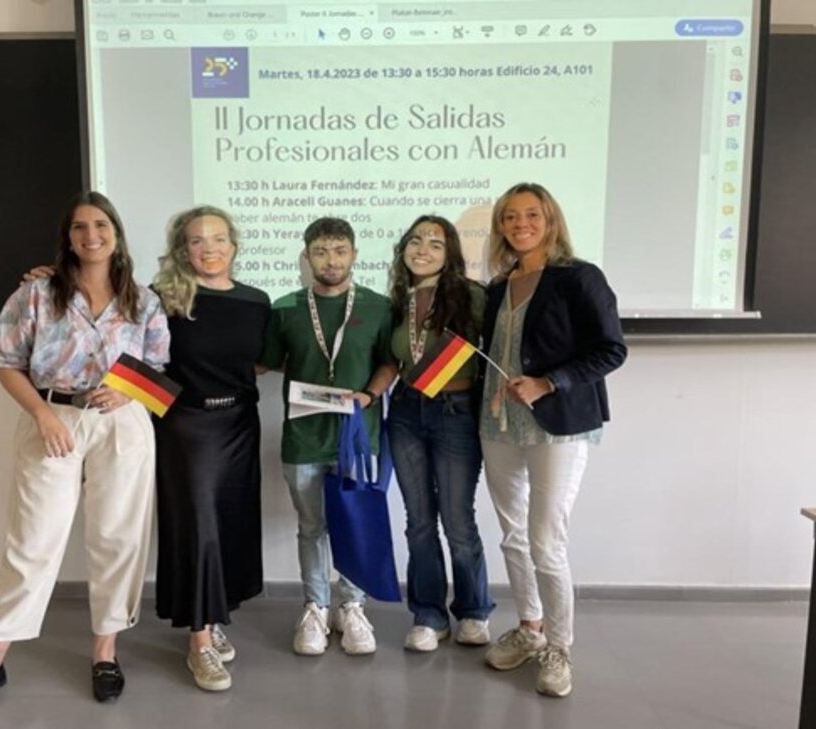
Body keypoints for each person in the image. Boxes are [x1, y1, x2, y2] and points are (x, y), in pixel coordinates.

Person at [0, 192, 169, 721]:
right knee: (32, 542)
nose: (91, 235)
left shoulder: (144, 299)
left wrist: (131, 393)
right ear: (68, 236)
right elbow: (6, 363)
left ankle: (105, 653)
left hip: (123, 425)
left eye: (101, 225)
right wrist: (43, 415)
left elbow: (158, 365)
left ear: (116, 232)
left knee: (117, 537)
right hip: (53, 419)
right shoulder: (37, 294)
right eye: (80, 227)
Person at [478, 183, 627, 697]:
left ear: (551, 221)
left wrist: (548, 383)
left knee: (546, 541)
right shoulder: (499, 285)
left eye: (532, 214)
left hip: (558, 424)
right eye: (510, 216)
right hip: (497, 425)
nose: (521, 223)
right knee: (513, 535)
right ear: (500, 226)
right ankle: (530, 629)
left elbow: (611, 350)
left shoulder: (580, 278)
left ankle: (560, 648)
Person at [258, 217, 395, 657]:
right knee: (312, 526)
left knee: (351, 521)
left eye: (339, 251)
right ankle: (315, 606)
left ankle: (351, 605)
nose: (331, 260)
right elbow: (265, 363)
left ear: (354, 254)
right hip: (302, 435)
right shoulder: (285, 308)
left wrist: (369, 395)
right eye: (321, 252)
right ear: (306, 256)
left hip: (356, 436)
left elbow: (390, 363)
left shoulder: (378, 307)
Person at [151, 206, 271, 692]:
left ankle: (213, 617)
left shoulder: (256, 301)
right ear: (183, 249)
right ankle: (199, 642)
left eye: (219, 238)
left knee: (228, 526)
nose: (210, 248)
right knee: (197, 529)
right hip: (187, 427)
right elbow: (143, 360)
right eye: (197, 241)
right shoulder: (163, 299)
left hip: (241, 422)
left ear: (234, 245)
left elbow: (259, 364)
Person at [385, 215, 495, 652]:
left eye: (435, 242)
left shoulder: (472, 296)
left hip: (457, 412)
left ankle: (472, 611)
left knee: (457, 520)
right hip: (408, 412)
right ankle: (429, 615)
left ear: (450, 252)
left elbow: (501, 348)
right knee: (418, 523)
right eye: (415, 240)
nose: (423, 249)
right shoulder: (398, 300)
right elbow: (393, 361)